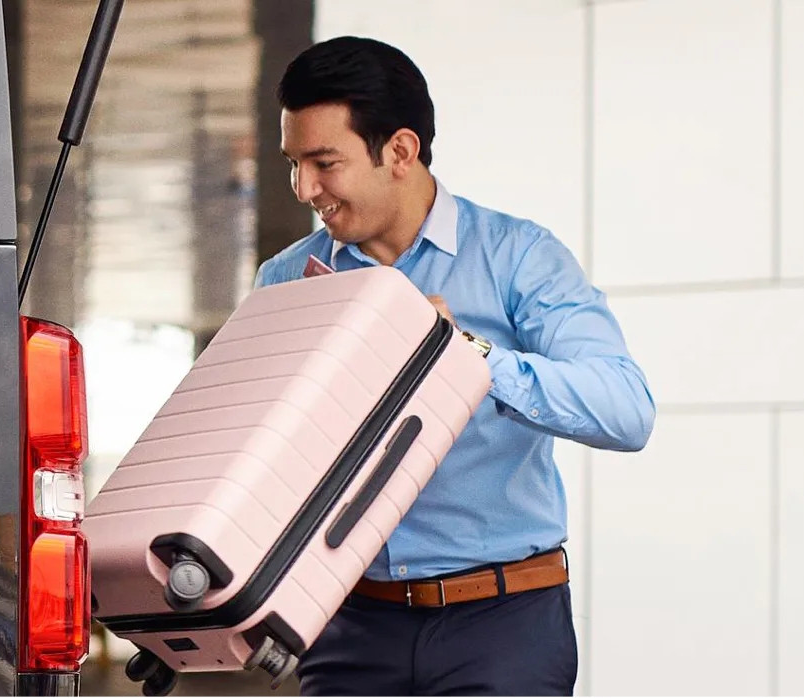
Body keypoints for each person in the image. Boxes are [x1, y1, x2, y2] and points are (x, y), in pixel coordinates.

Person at [253, 36, 655, 698]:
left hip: (502, 625)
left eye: (325, 163)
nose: (304, 189)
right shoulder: (285, 279)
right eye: (295, 164)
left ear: (400, 151)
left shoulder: (519, 256)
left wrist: (464, 356)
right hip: (349, 628)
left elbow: (625, 410)